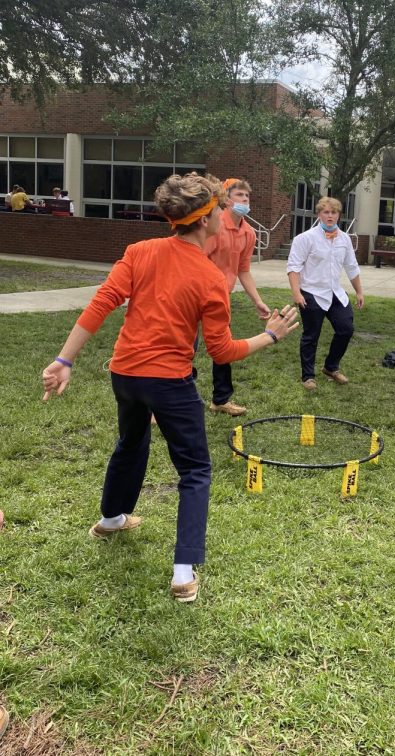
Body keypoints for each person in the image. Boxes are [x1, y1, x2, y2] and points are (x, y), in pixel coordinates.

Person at [42, 172, 298, 603]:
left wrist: (64, 359)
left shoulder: (140, 251)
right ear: (203, 220)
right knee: (195, 470)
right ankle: (183, 572)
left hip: (124, 375)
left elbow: (102, 302)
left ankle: (111, 519)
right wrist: (270, 335)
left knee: (131, 441)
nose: (225, 214)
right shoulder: (210, 278)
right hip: (168, 383)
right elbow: (223, 352)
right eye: (220, 208)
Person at [203, 178, 271, 417]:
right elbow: (196, 260)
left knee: (222, 349)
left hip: (221, 298)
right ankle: (162, 404)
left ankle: (220, 400)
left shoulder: (248, 233)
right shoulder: (213, 225)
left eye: (247, 196)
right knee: (181, 349)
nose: (244, 200)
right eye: (239, 195)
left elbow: (243, 270)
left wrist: (258, 300)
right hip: (196, 295)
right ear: (226, 199)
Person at [287, 196, 364, 390]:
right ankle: (308, 377)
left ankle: (331, 367)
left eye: (334, 212)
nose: (330, 216)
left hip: (335, 293)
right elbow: (294, 268)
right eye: (326, 212)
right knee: (311, 336)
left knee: (346, 329)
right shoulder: (305, 239)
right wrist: (297, 294)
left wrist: (359, 292)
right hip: (311, 293)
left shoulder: (345, 239)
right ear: (319, 214)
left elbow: (352, 267)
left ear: (339, 215)